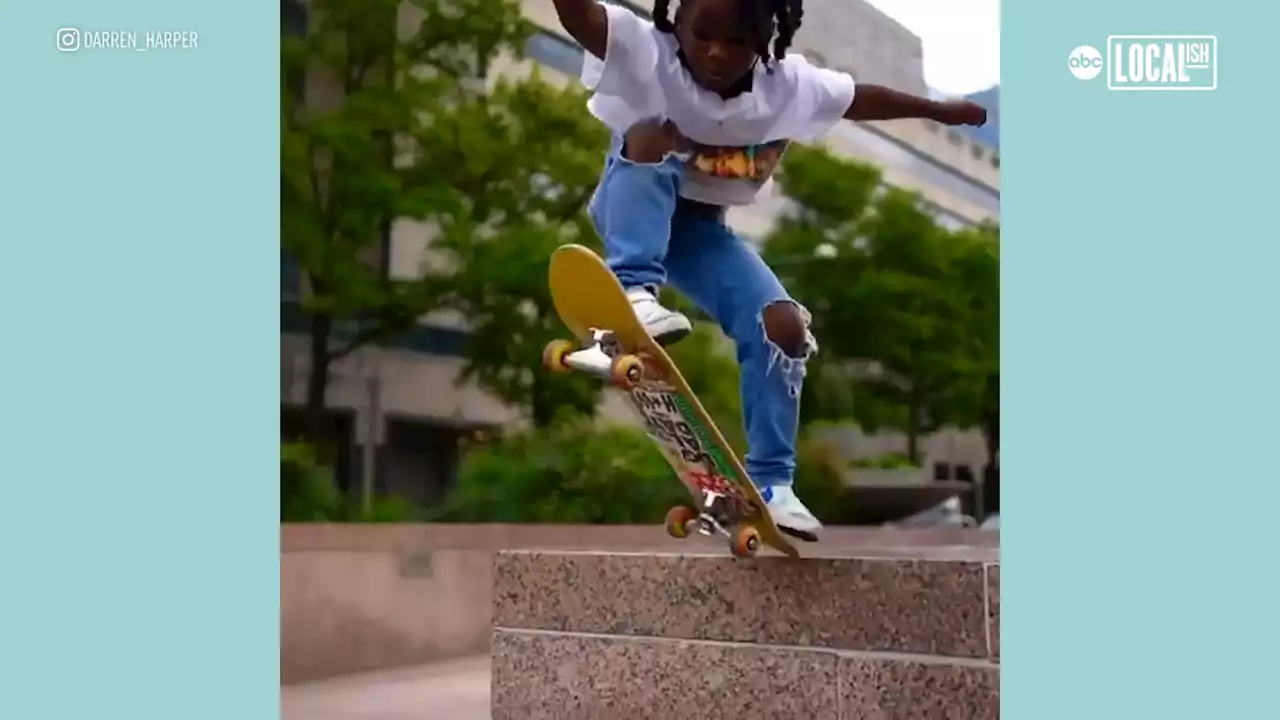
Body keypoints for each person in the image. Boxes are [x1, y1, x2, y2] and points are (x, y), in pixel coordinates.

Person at [550, 0, 987, 538]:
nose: (716, 53)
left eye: (737, 42)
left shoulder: (788, 88)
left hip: (700, 235)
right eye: (701, 35)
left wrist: (937, 111)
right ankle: (634, 286)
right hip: (634, 205)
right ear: (676, 24)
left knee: (783, 325)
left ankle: (773, 484)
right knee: (649, 133)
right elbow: (581, 17)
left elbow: (862, 98)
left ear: (763, 42)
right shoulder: (646, 51)